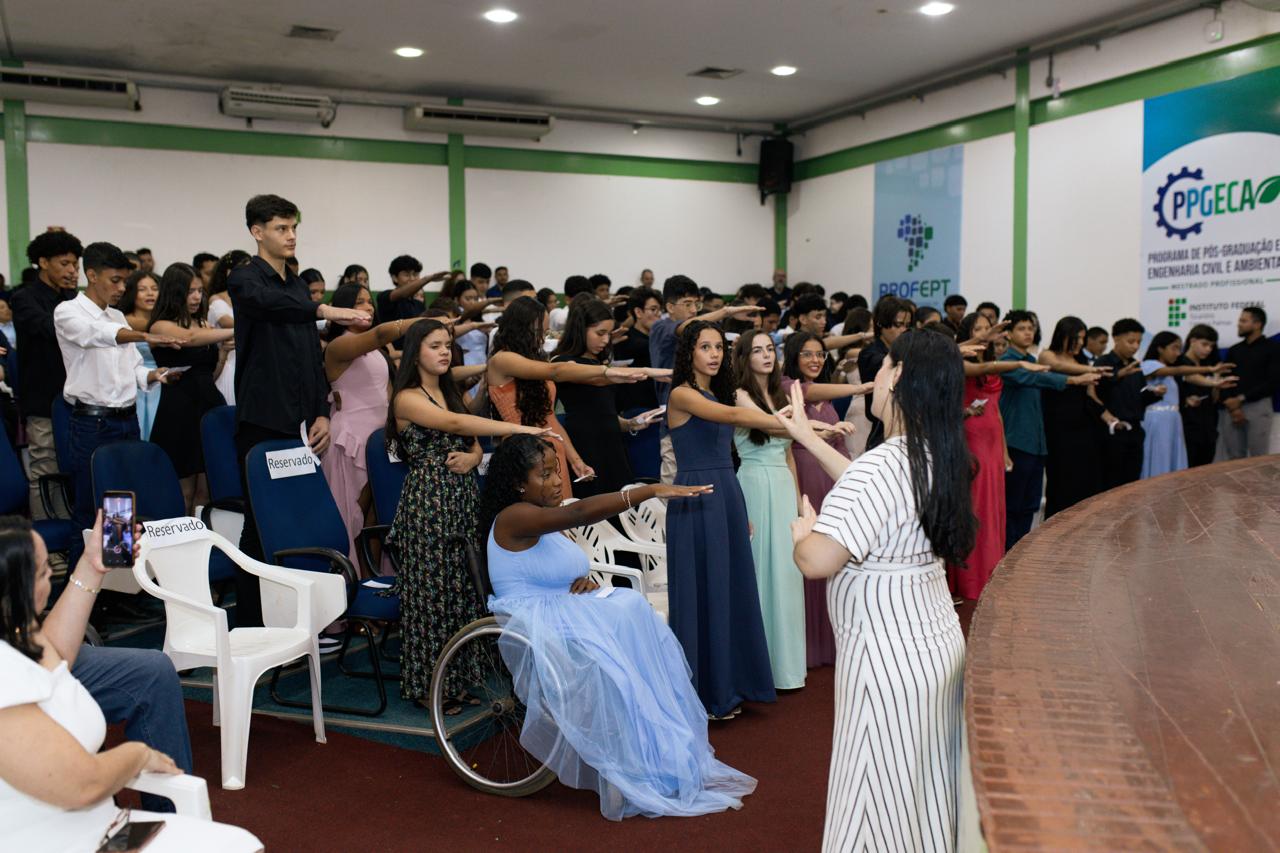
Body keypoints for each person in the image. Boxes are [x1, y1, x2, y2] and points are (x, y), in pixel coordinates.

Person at [478, 435, 755, 819]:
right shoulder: (514, 516)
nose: (558, 481)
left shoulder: (539, 515)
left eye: (557, 470)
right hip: (534, 620)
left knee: (629, 610)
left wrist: (581, 580)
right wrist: (648, 491)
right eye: (545, 474)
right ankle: (624, 768)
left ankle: (650, 759)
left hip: (566, 606)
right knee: (618, 661)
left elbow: (552, 568)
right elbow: (578, 515)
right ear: (518, 484)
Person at [784, 329, 979, 853]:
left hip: (885, 658)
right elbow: (876, 496)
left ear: (899, 379)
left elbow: (818, 561)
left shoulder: (881, 464)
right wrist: (807, 438)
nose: (874, 378)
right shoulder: (936, 454)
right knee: (923, 787)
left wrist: (805, 536)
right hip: (933, 646)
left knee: (872, 795)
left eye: (884, 366)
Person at [0, 514, 262, 851]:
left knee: (240, 844)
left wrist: (91, 566)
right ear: (15, 591)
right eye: (41, 572)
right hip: (63, 841)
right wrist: (138, 755)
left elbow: (55, 658)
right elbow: (86, 784)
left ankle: (172, 819)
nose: (51, 576)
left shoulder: (18, 629)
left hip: (100, 829)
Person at [386, 320, 552, 708]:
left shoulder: (449, 392)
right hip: (428, 503)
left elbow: (473, 443)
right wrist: (521, 429)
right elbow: (456, 424)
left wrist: (473, 456)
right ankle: (429, 687)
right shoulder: (407, 397)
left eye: (447, 345)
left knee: (462, 593)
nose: (444, 352)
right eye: (434, 346)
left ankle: (456, 679)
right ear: (416, 352)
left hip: (461, 499)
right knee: (431, 597)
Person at [227, 195, 369, 627]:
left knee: (296, 518)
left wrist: (322, 411)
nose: (290, 236)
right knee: (259, 524)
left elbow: (310, 356)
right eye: (281, 228)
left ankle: (294, 617)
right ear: (257, 232)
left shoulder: (293, 282)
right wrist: (322, 308)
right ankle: (253, 622)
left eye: (293, 228)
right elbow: (274, 307)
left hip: (300, 423)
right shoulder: (245, 279)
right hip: (260, 419)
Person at [666, 320, 806, 719]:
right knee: (704, 592)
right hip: (696, 495)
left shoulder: (715, 390)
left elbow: (731, 447)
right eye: (705, 347)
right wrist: (793, 423)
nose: (713, 354)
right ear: (689, 353)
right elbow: (736, 416)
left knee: (731, 589)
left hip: (726, 490)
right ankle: (705, 695)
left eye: (718, 348)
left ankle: (732, 686)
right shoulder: (683, 394)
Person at [54, 243, 182, 558]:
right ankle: (81, 592)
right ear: (92, 275)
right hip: (91, 423)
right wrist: (144, 336)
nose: (121, 288)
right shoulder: (68, 311)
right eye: (115, 280)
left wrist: (153, 376)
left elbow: (132, 367)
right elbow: (96, 334)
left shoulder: (116, 315)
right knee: (89, 507)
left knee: (121, 509)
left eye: (124, 281)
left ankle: (119, 590)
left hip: (127, 419)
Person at [487, 297, 649, 490]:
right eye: (538, 332)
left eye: (545, 332)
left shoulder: (536, 359)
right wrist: (608, 371)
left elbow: (549, 420)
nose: (541, 339)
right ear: (520, 329)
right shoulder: (502, 359)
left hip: (551, 447)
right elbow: (556, 371)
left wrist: (575, 460)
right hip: (521, 451)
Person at [781, 331, 872, 666]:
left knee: (834, 558)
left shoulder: (829, 398)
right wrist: (860, 388)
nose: (815, 360)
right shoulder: (788, 386)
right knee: (808, 553)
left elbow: (841, 447)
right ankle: (806, 646)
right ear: (794, 356)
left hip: (831, 480)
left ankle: (833, 641)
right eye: (807, 354)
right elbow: (807, 394)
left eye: (820, 354)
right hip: (803, 476)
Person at [322, 283, 424, 573]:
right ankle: (356, 583)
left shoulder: (376, 350)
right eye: (359, 302)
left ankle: (377, 581)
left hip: (380, 437)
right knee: (355, 517)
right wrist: (423, 322)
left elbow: (389, 392)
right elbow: (380, 332)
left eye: (369, 302)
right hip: (353, 437)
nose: (367, 307)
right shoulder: (339, 344)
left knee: (378, 516)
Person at [731, 330, 806, 690]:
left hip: (780, 485)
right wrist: (812, 426)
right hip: (755, 485)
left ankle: (788, 668)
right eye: (757, 350)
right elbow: (776, 426)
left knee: (787, 573)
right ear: (744, 358)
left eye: (770, 349)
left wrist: (797, 501)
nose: (766, 355)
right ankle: (760, 669)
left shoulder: (779, 393)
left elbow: (790, 453)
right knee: (761, 571)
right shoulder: (739, 394)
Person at [998, 310, 1097, 549]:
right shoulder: (1006, 362)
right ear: (1009, 334)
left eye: (1031, 328)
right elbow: (1031, 379)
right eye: (1021, 328)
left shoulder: (1034, 362)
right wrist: (1071, 380)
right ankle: (1008, 556)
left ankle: (1020, 554)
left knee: (1030, 505)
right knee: (1013, 506)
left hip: (1037, 443)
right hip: (1016, 442)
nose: (1028, 332)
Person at [650, 276, 761, 483]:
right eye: (687, 304)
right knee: (678, 492)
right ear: (670, 307)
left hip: (708, 423)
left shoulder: (699, 336)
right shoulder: (661, 327)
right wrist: (726, 312)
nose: (694, 309)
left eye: (697, 304)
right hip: (677, 427)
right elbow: (689, 327)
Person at [550, 298, 662, 498]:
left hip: (614, 448)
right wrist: (645, 371)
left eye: (609, 335)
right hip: (585, 447)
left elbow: (603, 412)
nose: (605, 341)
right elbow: (598, 380)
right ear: (579, 329)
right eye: (600, 333)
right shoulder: (564, 363)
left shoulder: (599, 362)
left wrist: (630, 424)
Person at [147, 263, 234, 513]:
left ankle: (203, 545)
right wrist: (235, 329)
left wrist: (222, 356)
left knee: (206, 493)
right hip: (179, 411)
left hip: (208, 406)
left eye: (199, 291)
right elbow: (189, 339)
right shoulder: (160, 326)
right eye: (190, 291)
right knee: (182, 491)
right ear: (175, 293)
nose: (196, 297)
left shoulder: (205, 324)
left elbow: (211, 374)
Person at [11, 230, 82, 521]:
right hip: (42, 399)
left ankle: (72, 531)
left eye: (75, 265)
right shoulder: (24, 298)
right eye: (65, 263)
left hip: (76, 397)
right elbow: (51, 329)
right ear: (43, 262)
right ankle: (48, 539)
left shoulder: (74, 298)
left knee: (73, 469)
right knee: (44, 468)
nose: (71, 271)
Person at [1139, 332, 1235, 478]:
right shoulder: (1149, 365)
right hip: (1158, 421)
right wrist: (1210, 369)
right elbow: (1179, 370)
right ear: (1160, 348)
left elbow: (1191, 377)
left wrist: (1215, 383)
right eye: (1174, 348)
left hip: (1173, 420)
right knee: (1160, 456)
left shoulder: (1171, 370)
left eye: (1179, 349)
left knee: (1173, 458)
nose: (1178, 353)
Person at [1037, 316, 1105, 517]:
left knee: (1084, 477)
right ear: (1064, 335)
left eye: (1084, 338)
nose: (1081, 343)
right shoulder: (1047, 355)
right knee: (1061, 479)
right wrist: (1090, 370)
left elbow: (1091, 395)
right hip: (1058, 427)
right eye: (1078, 338)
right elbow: (1058, 367)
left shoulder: (1083, 360)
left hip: (1083, 426)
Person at [1095, 318, 1160, 490]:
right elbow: (1096, 393)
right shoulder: (1103, 363)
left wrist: (1154, 394)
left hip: (1135, 430)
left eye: (1139, 342)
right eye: (1130, 341)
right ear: (1116, 338)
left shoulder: (1136, 367)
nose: (1135, 346)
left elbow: (1138, 398)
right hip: (1112, 431)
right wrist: (1119, 375)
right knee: (1110, 483)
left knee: (1131, 485)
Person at [1221, 306, 1279, 459]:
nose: (1238, 324)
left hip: (1258, 407)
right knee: (1233, 460)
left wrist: (1241, 399)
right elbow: (1225, 378)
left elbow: (1273, 382)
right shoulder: (1234, 350)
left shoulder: (1273, 348)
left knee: (1258, 460)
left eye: (1243, 321)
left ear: (1257, 324)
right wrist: (1232, 405)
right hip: (1231, 409)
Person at [858, 295, 912, 452]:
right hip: (882, 434)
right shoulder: (870, 355)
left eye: (907, 325)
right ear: (881, 323)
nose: (904, 330)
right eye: (899, 324)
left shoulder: (905, 352)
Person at [118, 270, 163, 441]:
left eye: (154, 288)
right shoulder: (123, 321)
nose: (150, 293)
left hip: (163, 383)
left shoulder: (164, 322)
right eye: (143, 289)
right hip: (135, 384)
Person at [206, 250, 248, 406]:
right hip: (226, 363)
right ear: (228, 272)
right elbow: (227, 322)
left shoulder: (252, 297)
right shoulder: (217, 299)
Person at [612, 286, 661, 416]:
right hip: (635, 411)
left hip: (656, 407)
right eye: (653, 309)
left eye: (659, 310)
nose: (658, 314)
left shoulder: (652, 339)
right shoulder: (626, 340)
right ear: (638, 312)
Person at [1180, 324, 1223, 467]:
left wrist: (1216, 380)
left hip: (1208, 425)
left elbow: (1215, 398)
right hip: (1188, 426)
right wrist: (1186, 400)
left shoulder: (1210, 365)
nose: (1208, 349)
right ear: (1192, 341)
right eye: (1204, 344)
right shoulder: (1179, 363)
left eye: (1211, 346)